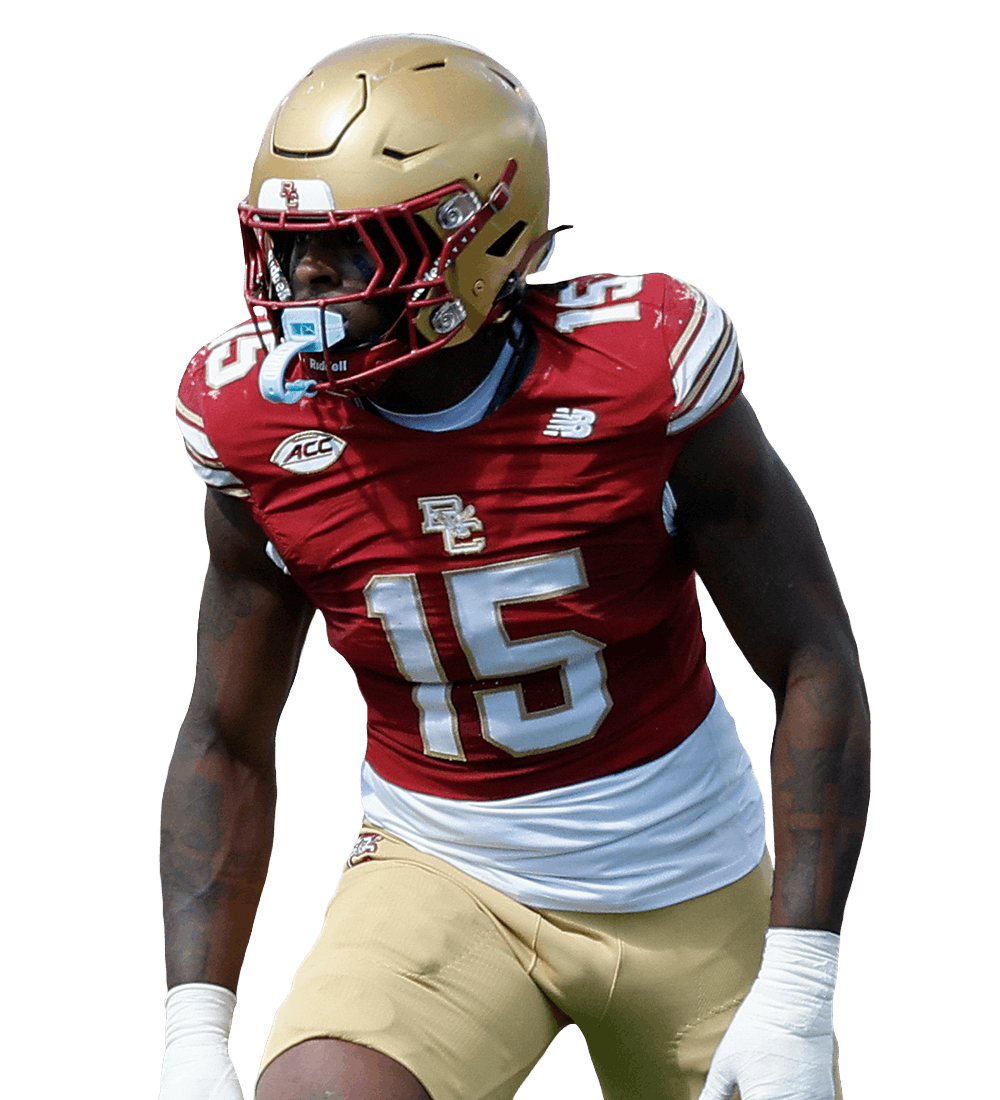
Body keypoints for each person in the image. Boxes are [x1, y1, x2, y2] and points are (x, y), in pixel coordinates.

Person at [159, 33, 869, 1100]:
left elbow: (815, 656)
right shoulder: (248, 421)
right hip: (439, 870)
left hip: (684, 877)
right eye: (290, 248)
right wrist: (193, 1033)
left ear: (478, 240)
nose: (304, 284)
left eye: (350, 248)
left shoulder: (638, 374)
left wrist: (800, 986)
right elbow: (223, 730)